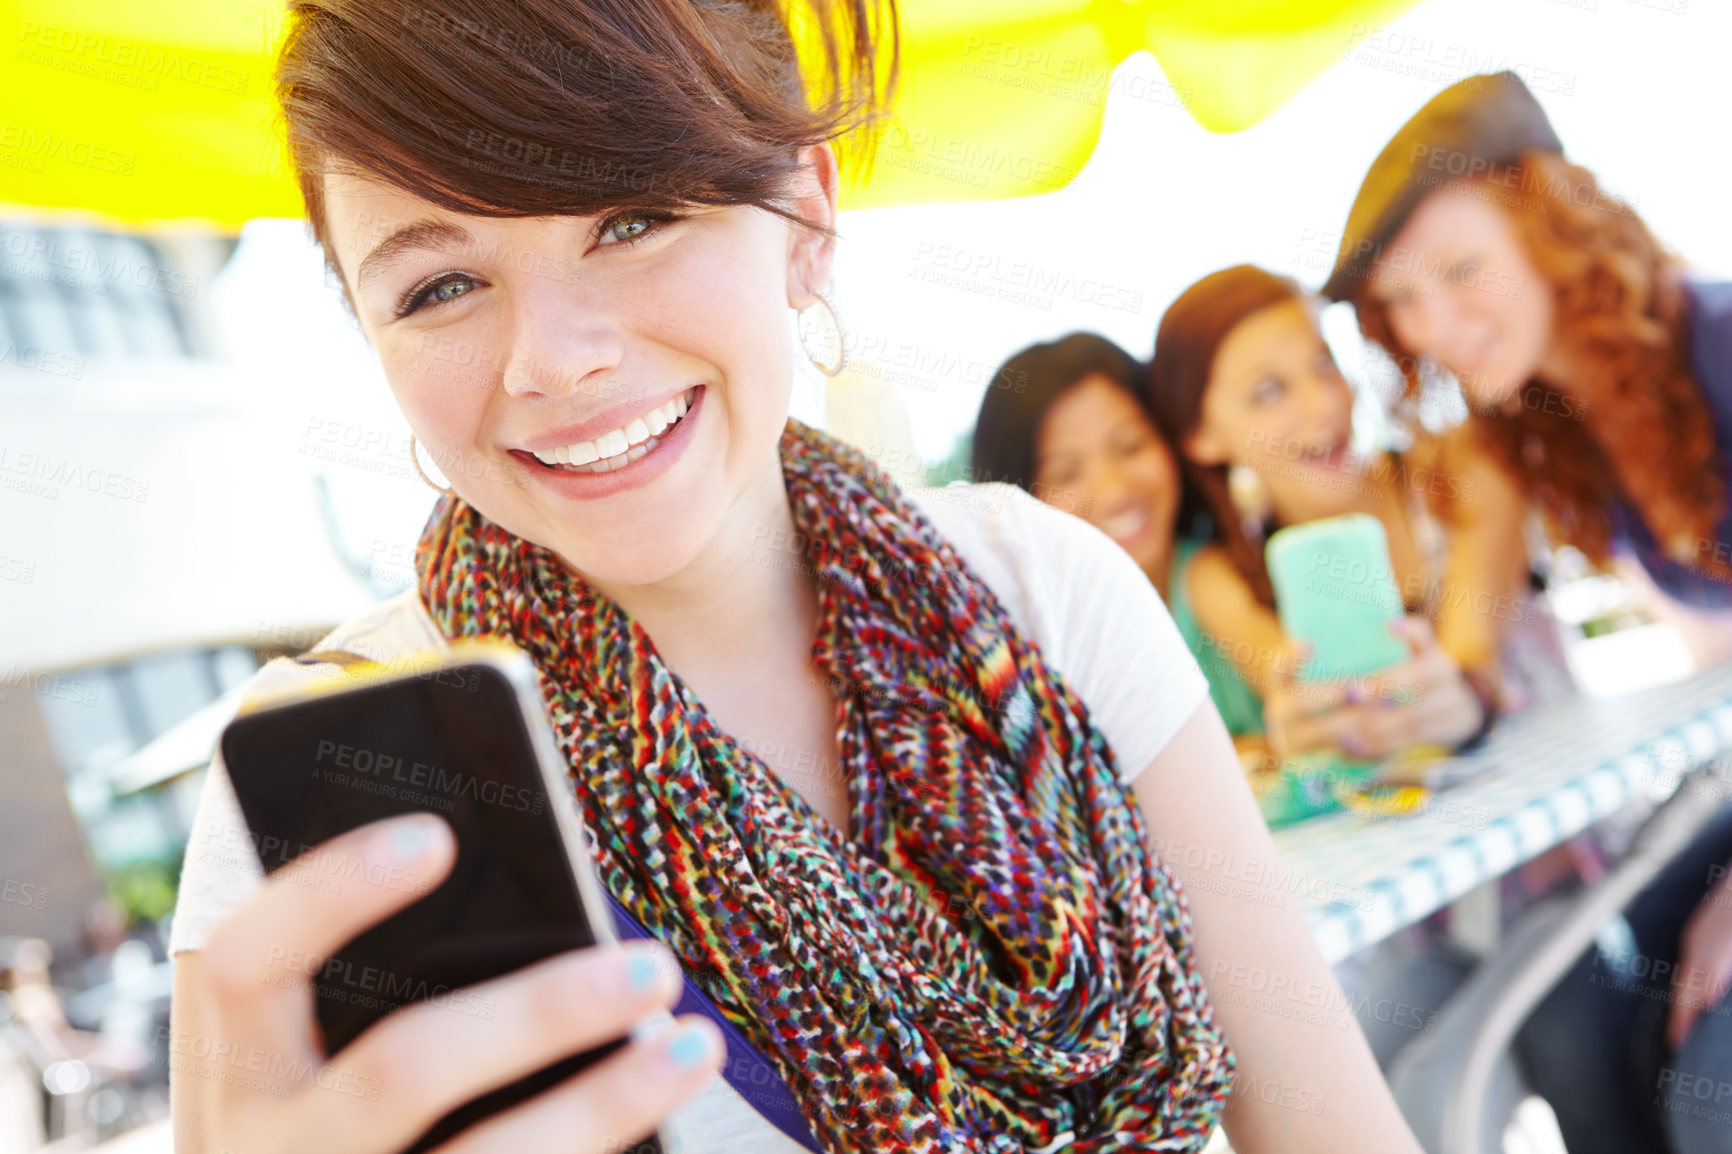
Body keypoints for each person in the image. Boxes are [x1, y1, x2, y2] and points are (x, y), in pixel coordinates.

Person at [164, 1, 1428, 1152]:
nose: (552, 359)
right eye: (439, 285)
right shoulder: (336, 792)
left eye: (635, 217)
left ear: (807, 220)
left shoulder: (1042, 590)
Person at [1324, 69, 1732, 1154]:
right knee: (1574, 1014)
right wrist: (1427, 693)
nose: (1437, 325)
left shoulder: (1718, 339)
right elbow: (1470, 655)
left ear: (1553, 228)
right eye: (1404, 302)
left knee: (1711, 1090)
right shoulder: (1542, 430)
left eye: (1462, 270)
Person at [1143, 264, 1529, 767]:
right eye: (1268, 391)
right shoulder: (1221, 576)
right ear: (1201, 437)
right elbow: (1325, 704)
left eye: (1325, 364)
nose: (1324, 403)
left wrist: (1464, 699)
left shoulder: (1460, 470)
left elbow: (1477, 662)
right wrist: (1305, 726)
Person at [968, 333, 1266, 752]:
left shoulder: (1205, 576)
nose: (1113, 491)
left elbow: (1285, 671)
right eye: (1066, 473)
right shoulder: (1021, 664)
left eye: (1130, 446)